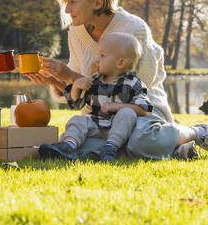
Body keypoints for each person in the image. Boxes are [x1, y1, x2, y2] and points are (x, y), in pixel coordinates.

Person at [27, 0, 208, 160]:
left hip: (141, 111)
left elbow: (140, 85)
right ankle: (175, 149)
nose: (66, 10)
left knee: (138, 142)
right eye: (66, 3)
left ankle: (198, 132)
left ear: (97, 2)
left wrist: (69, 76)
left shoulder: (133, 29)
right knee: (80, 145)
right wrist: (56, 81)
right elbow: (83, 85)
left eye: (72, 2)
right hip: (99, 116)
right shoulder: (76, 32)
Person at [40, 32, 153, 162]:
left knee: (128, 113)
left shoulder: (133, 83)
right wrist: (76, 86)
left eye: (102, 55)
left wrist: (117, 107)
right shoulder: (95, 80)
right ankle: (68, 146)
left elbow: (144, 109)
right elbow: (77, 103)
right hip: (96, 124)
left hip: (118, 128)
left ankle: (110, 148)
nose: (96, 60)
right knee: (78, 119)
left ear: (121, 63)